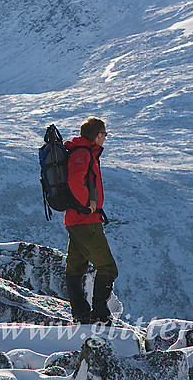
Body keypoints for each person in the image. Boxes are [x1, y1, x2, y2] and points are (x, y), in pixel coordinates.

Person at [63, 116, 118, 324]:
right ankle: (100, 314)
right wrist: (87, 203)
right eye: (104, 133)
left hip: (77, 220)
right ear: (96, 135)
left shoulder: (86, 152)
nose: (105, 137)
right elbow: (75, 180)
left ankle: (81, 314)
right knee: (108, 268)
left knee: (76, 267)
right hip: (85, 220)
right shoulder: (83, 153)